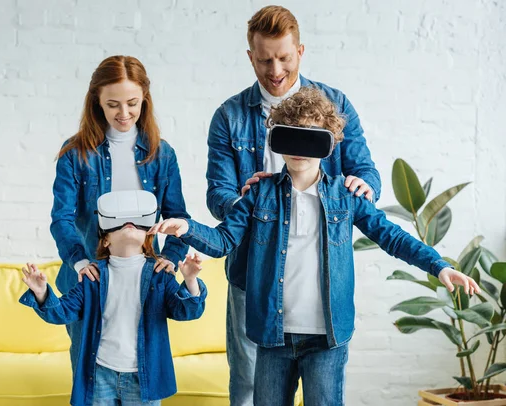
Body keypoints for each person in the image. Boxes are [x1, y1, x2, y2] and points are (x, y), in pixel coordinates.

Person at [151, 87, 480, 406]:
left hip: (327, 339)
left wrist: (440, 266)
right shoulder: (259, 193)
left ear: (329, 143)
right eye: (290, 135)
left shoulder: (345, 195)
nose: (299, 147)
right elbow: (224, 240)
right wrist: (186, 228)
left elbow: (390, 235)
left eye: (309, 136)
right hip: (273, 334)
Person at [205, 6, 381, 404]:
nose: (275, 69)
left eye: (284, 57)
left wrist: (364, 186)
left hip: (316, 273)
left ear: (300, 51)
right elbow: (217, 193)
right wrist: (248, 205)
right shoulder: (229, 117)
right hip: (253, 269)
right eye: (265, 59)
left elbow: (367, 172)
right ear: (250, 56)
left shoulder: (334, 104)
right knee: (249, 381)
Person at [50, 56, 190, 372]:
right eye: (113, 104)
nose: (124, 114)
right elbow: (62, 217)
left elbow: (178, 215)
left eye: (132, 103)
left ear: (145, 101)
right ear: (97, 102)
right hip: (89, 281)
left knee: (140, 381)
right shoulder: (75, 154)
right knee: (90, 381)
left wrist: (173, 258)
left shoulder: (162, 154)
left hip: (143, 284)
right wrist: (80, 260)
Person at [22, 191, 207, 406]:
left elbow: (187, 312)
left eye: (138, 224)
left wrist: (190, 279)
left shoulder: (160, 274)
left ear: (148, 238)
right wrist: (41, 291)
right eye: (118, 224)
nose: (129, 224)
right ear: (106, 241)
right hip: (100, 373)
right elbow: (62, 312)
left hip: (143, 376)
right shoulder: (92, 276)